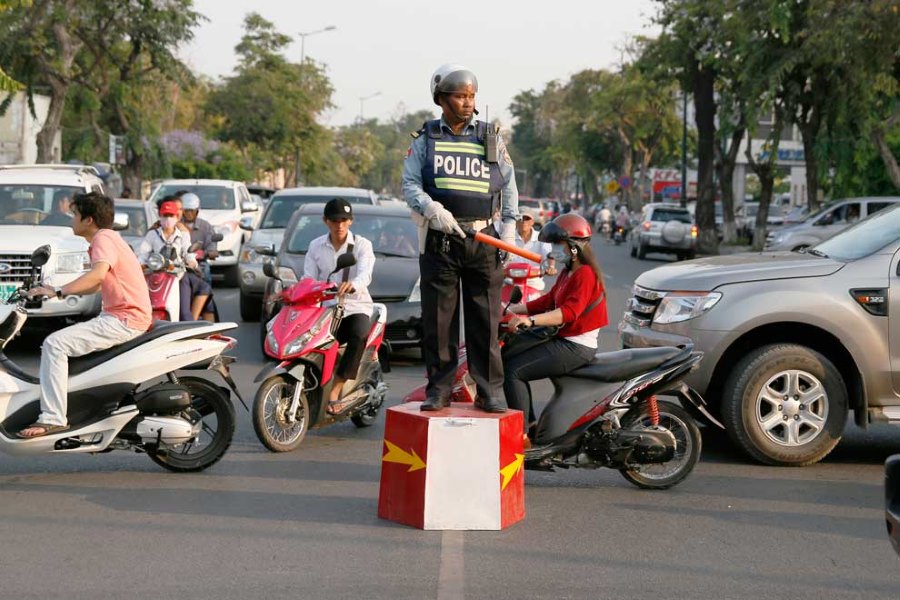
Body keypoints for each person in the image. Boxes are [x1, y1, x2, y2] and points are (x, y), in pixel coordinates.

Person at [402, 63, 519, 413]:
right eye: (459, 96)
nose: (467, 103)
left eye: (471, 96)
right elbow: (409, 184)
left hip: (484, 237)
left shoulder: (489, 137)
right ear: (441, 98)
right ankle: (439, 389)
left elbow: (508, 184)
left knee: (486, 321)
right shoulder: (425, 140)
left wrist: (509, 227)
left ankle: (489, 391)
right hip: (441, 240)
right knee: (439, 322)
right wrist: (431, 209)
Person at [18, 192, 152, 438]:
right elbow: (95, 284)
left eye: (75, 214)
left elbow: (98, 276)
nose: (72, 219)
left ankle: (53, 418)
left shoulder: (103, 239)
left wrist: (58, 290)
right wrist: (53, 292)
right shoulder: (107, 239)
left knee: (54, 344)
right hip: (121, 316)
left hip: (124, 319)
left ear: (89, 220)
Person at [504, 214, 608, 448]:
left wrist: (529, 321)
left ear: (573, 247)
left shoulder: (585, 274)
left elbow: (568, 312)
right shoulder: (569, 272)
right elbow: (549, 300)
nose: (552, 250)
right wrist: (511, 309)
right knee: (510, 357)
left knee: (513, 371)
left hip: (576, 346)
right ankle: (530, 427)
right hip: (565, 339)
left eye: (557, 244)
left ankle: (521, 438)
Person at [303, 199, 375, 414]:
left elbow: (365, 275)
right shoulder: (315, 246)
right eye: (335, 220)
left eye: (344, 220)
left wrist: (352, 285)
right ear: (326, 221)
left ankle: (336, 390)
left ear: (350, 221)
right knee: (304, 342)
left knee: (358, 334)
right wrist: (293, 292)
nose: (339, 225)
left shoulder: (362, 245)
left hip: (355, 307)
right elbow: (307, 278)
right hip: (325, 310)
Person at [139, 197, 213, 321]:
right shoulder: (153, 234)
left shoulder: (182, 234)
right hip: (156, 276)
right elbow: (143, 254)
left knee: (185, 314)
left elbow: (187, 251)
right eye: (165, 215)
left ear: (176, 217)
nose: (168, 219)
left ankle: (189, 337)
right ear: (160, 215)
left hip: (177, 276)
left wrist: (192, 261)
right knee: (143, 309)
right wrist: (139, 264)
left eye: (171, 215)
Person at [180, 192, 219, 285]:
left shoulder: (206, 226)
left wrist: (208, 252)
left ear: (197, 211)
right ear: (182, 211)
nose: (189, 214)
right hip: (179, 263)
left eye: (192, 211)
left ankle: (205, 297)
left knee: (205, 273)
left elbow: (212, 246)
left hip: (199, 263)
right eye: (186, 211)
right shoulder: (175, 225)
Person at [515, 206, 556, 291]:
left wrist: (551, 267)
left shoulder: (541, 237)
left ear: (532, 222)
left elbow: (549, 253)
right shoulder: (508, 237)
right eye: (520, 218)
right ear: (515, 221)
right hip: (510, 281)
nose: (523, 221)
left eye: (527, 219)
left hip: (534, 284)